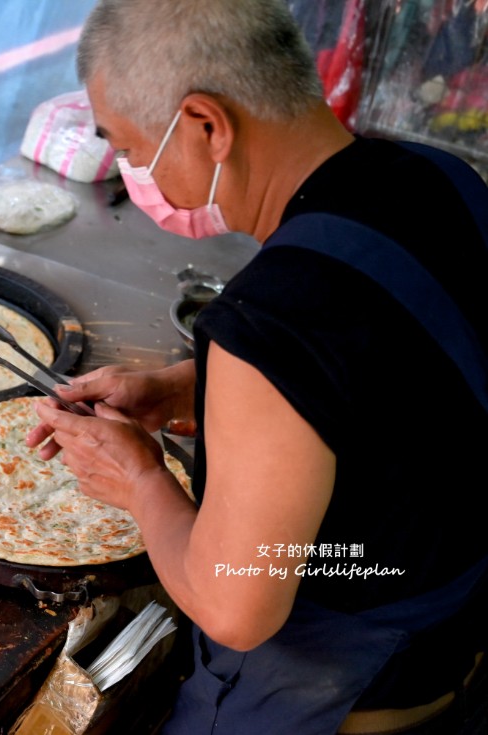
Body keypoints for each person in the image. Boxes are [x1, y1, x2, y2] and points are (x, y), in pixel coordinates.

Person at [28, 1, 488, 733]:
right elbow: (396, 375)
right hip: (453, 653)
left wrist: (141, 481)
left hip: (334, 705)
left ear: (207, 125)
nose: (129, 171)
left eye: (127, 147)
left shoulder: (267, 320)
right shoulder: (441, 179)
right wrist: (188, 387)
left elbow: (234, 604)